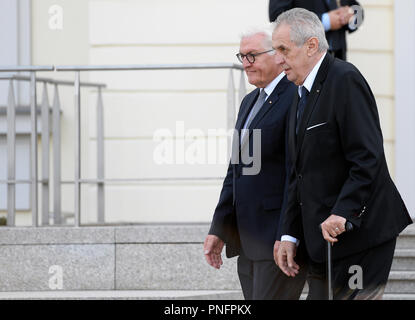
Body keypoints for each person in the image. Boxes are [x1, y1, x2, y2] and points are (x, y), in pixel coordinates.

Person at [272, 8, 413, 300]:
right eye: (275, 50)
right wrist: (288, 234)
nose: (278, 59)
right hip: (320, 245)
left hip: (360, 238)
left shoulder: (345, 79)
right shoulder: (299, 94)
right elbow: (298, 173)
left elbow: (367, 158)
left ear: (311, 45)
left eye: (283, 49)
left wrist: (342, 212)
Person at [203, 28, 307, 300]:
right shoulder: (249, 102)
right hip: (246, 243)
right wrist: (220, 228)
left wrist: (288, 234)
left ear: (277, 56)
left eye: (253, 55)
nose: (245, 63)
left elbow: (295, 174)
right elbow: (235, 171)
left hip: (276, 242)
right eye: (242, 56)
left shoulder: (294, 96)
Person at [269, 0, 363, 60]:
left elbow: (357, 9)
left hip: (338, 57)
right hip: (304, 59)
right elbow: (277, 16)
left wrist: (350, 15)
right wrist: (325, 21)